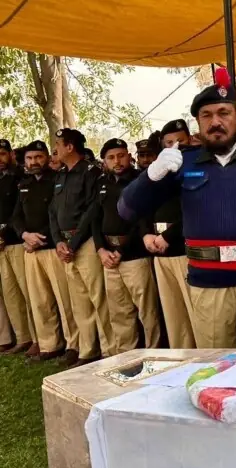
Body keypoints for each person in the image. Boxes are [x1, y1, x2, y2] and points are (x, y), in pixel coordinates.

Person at [119, 68, 236, 348]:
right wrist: (151, 175)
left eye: (223, 113)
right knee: (217, 368)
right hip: (208, 286)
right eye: (207, 115)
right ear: (197, 122)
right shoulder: (183, 163)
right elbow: (126, 210)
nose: (216, 122)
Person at [49, 128, 114, 364]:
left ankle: (109, 351)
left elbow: (93, 209)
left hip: (85, 244)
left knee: (99, 299)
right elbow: (53, 211)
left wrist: (74, 243)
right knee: (79, 301)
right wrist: (58, 240)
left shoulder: (91, 172)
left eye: (58, 143)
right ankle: (87, 351)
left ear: (69, 147)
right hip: (65, 246)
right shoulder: (61, 175)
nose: (54, 148)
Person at [12, 141, 78, 364]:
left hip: (52, 247)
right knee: (40, 300)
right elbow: (16, 215)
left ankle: (73, 345)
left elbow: (55, 215)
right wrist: (24, 235)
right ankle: (50, 345)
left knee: (64, 298)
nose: (34, 162)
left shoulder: (57, 180)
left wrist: (38, 237)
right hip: (30, 249)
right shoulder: (24, 183)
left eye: (38, 157)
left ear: (47, 157)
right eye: (30, 159)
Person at [94, 139, 161, 353]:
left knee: (147, 311)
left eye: (121, 155)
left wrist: (120, 251)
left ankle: (154, 353)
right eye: (111, 157)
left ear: (129, 156)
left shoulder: (140, 180)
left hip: (134, 256)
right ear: (104, 161)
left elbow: (142, 219)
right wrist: (100, 249)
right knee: (119, 311)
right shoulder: (102, 183)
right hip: (109, 259)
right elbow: (95, 218)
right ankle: (125, 355)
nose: (117, 161)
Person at [141, 124, 195, 349]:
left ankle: (204, 360)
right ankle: (181, 360)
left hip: (183, 250)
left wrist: (168, 236)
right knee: (173, 315)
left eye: (181, 141)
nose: (176, 147)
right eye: (169, 142)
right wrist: (146, 235)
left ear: (190, 141)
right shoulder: (157, 171)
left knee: (195, 313)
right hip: (159, 252)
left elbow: (196, 210)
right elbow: (141, 206)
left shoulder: (194, 169)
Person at [0, 138, 37, 357]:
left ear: (12, 155)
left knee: (27, 292)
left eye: (3, 154)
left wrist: (4, 234)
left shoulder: (20, 179)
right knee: (9, 294)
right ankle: (19, 337)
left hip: (16, 242)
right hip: (1, 246)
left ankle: (36, 337)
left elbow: (17, 214)